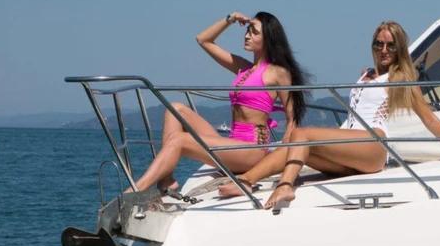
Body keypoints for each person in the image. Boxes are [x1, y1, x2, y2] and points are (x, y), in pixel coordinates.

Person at [220, 20, 440, 210]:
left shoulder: (400, 79)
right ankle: (245, 181)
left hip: (374, 146)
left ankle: (283, 185)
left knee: (301, 133)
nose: (384, 50)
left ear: (399, 49)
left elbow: (428, 117)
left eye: (390, 46)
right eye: (379, 44)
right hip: (351, 146)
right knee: (296, 144)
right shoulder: (366, 74)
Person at [130, 11, 307, 194]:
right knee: (175, 109)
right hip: (232, 143)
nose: (247, 35)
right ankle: (167, 180)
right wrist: (230, 19)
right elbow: (203, 40)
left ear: (268, 39)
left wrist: (284, 160)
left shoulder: (277, 72)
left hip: (254, 150)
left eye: (254, 32)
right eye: (247, 30)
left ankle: (134, 192)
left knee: (180, 140)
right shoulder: (243, 67)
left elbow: (292, 118)